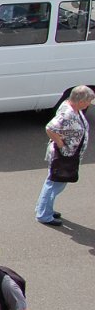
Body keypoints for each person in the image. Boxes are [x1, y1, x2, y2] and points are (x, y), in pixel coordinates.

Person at [34, 85, 92, 226]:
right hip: (63, 155)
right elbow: (50, 128)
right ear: (80, 100)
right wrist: (60, 144)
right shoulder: (68, 113)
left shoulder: (73, 108)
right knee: (54, 183)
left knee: (54, 183)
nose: (90, 103)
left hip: (68, 154)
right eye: (89, 100)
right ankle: (43, 214)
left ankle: (44, 208)